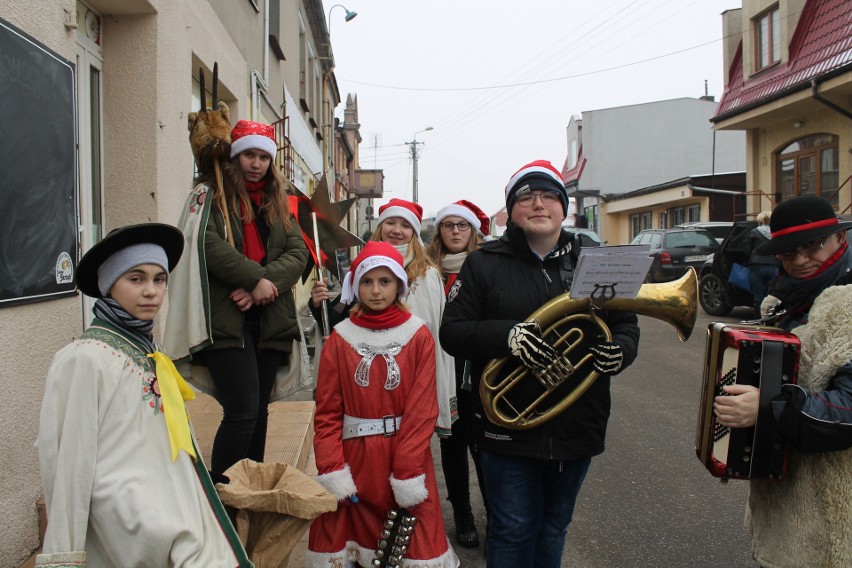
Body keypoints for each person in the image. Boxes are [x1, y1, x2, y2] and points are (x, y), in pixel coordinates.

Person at [439, 160, 640, 568]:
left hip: (577, 421)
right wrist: (508, 336)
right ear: (511, 210)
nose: (538, 204)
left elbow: (625, 323)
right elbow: (453, 332)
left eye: (549, 195)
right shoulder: (485, 262)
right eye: (526, 197)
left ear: (564, 208)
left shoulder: (596, 258)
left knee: (554, 526)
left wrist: (620, 351)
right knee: (512, 527)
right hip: (506, 428)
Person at [37, 223, 252, 567]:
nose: (151, 291)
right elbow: (68, 464)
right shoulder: (84, 359)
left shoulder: (151, 353)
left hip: (172, 516)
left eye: (159, 279)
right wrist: (64, 556)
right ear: (109, 285)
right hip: (129, 528)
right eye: (135, 278)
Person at [714, 195, 852, 568]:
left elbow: (848, 412)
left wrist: (766, 406)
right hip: (788, 511)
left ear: (839, 239)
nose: (801, 259)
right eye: (789, 252)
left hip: (836, 519)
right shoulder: (784, 302)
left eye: (812, 245)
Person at [168, 119, 308, 476]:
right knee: (242, 412)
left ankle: (250, 491)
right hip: (226, 321)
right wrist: (253, 278)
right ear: (236, 155)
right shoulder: (209, 194)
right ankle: (224, 499)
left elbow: (297, 252)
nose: (257, 163)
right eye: (249, 154)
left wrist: (262, 286)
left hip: (268, 320)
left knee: (259, 412)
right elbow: (206, 245)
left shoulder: (278, 199)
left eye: (263, 156)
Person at [306, 242, 459, 567]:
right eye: (367, 281)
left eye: (385, 281)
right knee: (355, 549)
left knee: (406, 549)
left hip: (405, 462)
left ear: (399, 285)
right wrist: (332, 469)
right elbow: (327, 413)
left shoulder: (418, 337)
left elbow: (422, 411)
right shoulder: (339, 339)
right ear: (356, 285)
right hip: (354, 462)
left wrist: (406, 472)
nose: (376, 290)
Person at [310, 198, 456, 437]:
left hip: (412, 375)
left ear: (414, 232)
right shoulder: (362, 269)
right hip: (367, 377)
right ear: (380, 227)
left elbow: (436, 335)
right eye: (391, 222)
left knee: (410, 443)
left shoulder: (427, 274)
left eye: (405, 225)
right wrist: (318, 305)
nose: (397, 230)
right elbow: (342, 323)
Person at [427, 199, 490, 548]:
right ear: (440, 231)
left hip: (479, 369)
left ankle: (496, 512)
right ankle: (463, 513)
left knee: (485, 445)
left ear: (472, 231)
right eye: (448, 225)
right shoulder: (427, 268)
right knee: (452, 443)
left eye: (461, 225)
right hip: (443, 369)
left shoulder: (486, 265)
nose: (454, 231)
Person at [747, 210, 781, 317]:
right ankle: (771, 318)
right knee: (772, 295)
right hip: (773, 266)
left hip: (757, 266)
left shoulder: (754, 232)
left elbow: (747, 250)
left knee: (758, 296)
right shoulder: (776, 234)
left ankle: (759, 318)